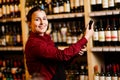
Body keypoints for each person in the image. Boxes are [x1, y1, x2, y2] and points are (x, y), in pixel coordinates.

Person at [25, 5, 94, 80]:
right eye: (37, 19)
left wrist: (75, 54)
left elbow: (60, 63)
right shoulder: (34, 43)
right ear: (29, 24)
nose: (42, 22)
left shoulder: (46, 39)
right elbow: (61, 55)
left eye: (44, 19)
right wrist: (86, 38)